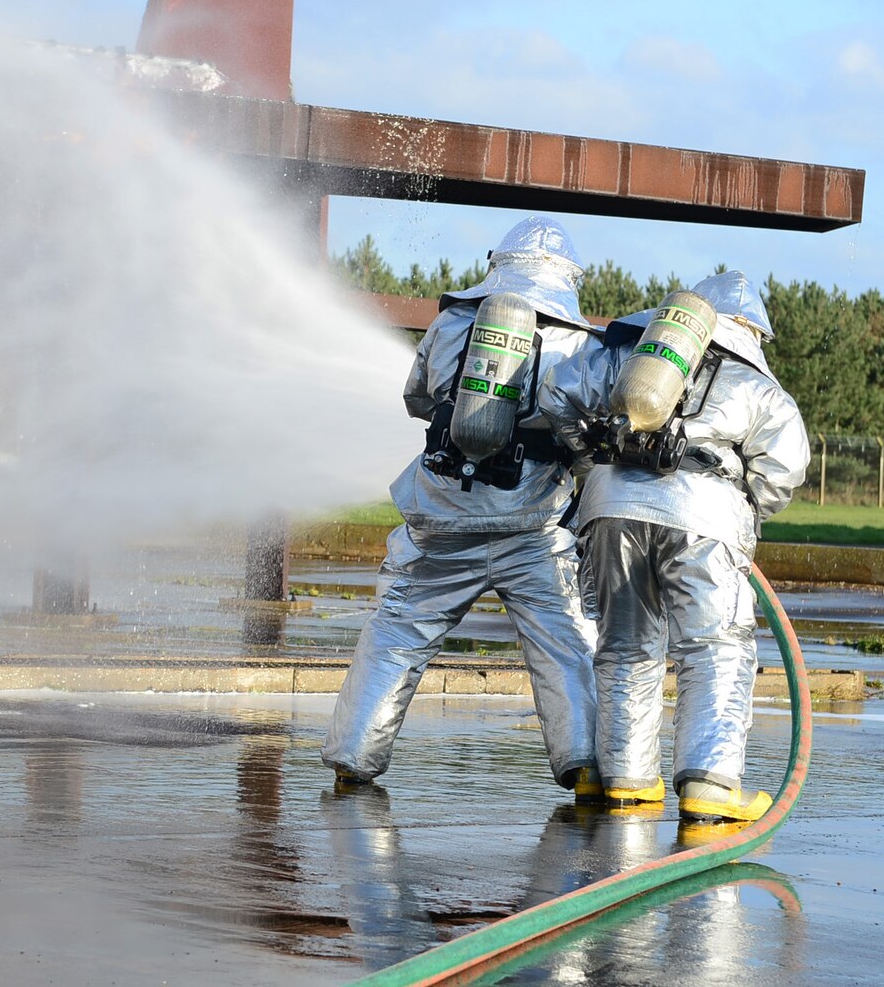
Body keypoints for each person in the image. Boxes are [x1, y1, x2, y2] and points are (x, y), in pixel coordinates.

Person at [323, 217, 602, 796]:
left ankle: (354, 756)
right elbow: (588, 438)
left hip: (441, 515)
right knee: (566, 645)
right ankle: (584, 766)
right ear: (569, 279)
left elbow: (417, 399)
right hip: (534, 528)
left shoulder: (452, 321)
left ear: (498, 265)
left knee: (397, 634)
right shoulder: (581, 344)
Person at [546, 270, 809, 822]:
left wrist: (591, 462)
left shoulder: (625, 356)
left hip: (610, 506)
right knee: (715, 647)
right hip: (703, 515)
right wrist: (746, 508)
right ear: (750, 331)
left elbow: (556, 393)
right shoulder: (757, 384)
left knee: (624, 644)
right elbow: (785, 470)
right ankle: (710, 786)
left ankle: (627, 780)